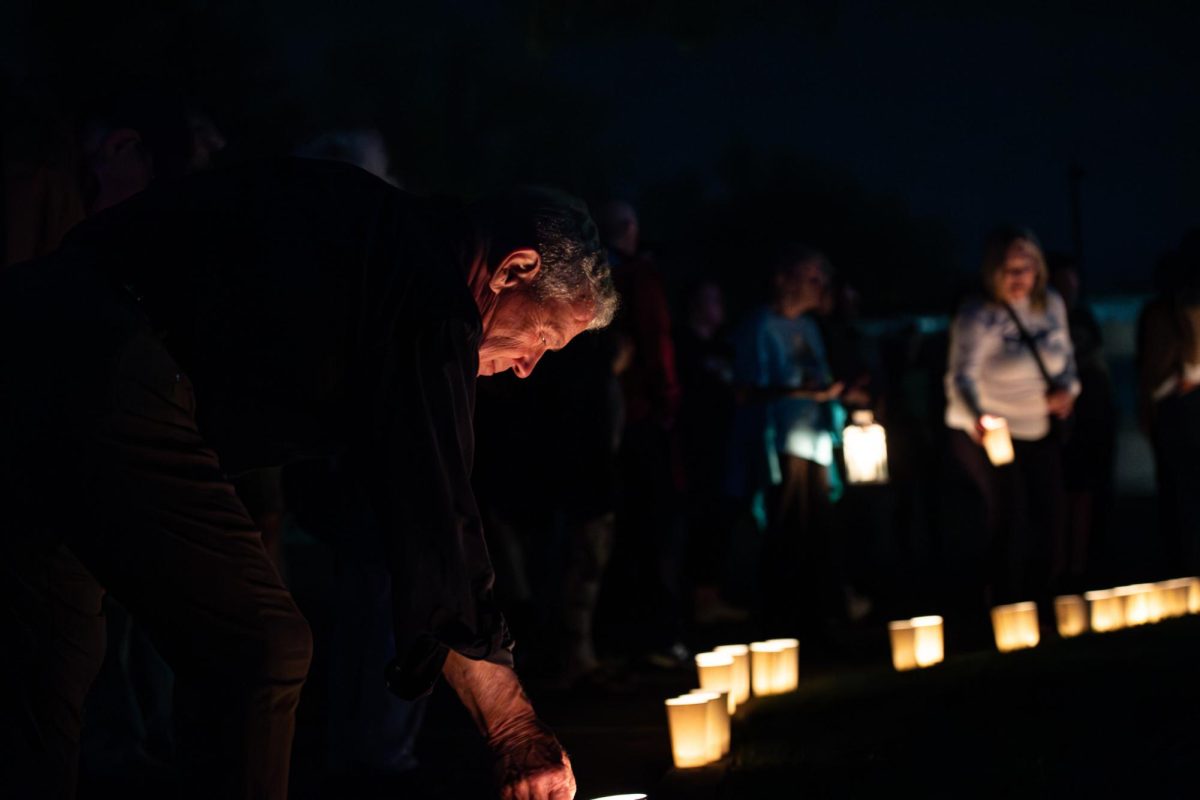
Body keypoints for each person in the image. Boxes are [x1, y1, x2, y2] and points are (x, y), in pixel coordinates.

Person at [0, 157, 617, 799]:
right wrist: (513, 727)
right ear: (514, 269)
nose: (527, 369)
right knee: (258, 648)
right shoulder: (430, 290)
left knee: (43, 659)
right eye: (542, 336)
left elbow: (413, 513)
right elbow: (437, 515)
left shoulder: (384, 241)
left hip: (36, 332)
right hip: (100, 364)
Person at [943, 227, 1078, 620]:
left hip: (1040, 426)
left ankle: (1044, 602)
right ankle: (1004, 606)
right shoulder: (978, 314)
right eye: (1010, 269)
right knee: (1009, 514)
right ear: (992, 271)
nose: (1019, 278)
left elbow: (1066, 360)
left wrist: (1068, 390)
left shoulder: (1050, 304)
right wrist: (979, 417)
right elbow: (960, 376)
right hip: (992, 432)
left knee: (1051, 515)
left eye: (1027, 268)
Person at [728, 245, 845, 637]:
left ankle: (820, 613)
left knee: (820, 529)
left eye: (821, 279)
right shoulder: (761, 325)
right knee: (787, 528)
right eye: (810, 277)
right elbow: (746, 390)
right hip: (780, 442)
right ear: (785, 278)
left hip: (815, 442)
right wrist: (799, 391)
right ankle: (784, 618)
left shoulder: (809, 328)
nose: (818, 286)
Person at [597, 200, 689, 669]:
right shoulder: (638, 278)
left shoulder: (590, 274)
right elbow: (656, 340)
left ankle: (623, 637)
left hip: (607, 419)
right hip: (640, 416)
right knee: (654, 528)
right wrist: (667, 401)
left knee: (623, 530)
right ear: (631, 229)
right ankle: (657, 634)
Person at [1048, 253, 1116, 589]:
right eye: (1062, 283)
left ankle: (1080, 562)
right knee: (1062, 490)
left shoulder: (1084, 317)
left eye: (1072, 283)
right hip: (1059, 415)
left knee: (1085, 489)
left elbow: (1096, 360)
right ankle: (1059, 562)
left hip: (1091, 413)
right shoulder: (1046, 320)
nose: (1068, 290)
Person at [1137, 230, 1200, 575]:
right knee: (1181, 491)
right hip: (1177, 403)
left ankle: (1184, 566)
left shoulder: (1166, 308)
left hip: (1178, 404)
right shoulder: (1170, 309)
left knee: (1180, 492)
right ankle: (1184, 566)